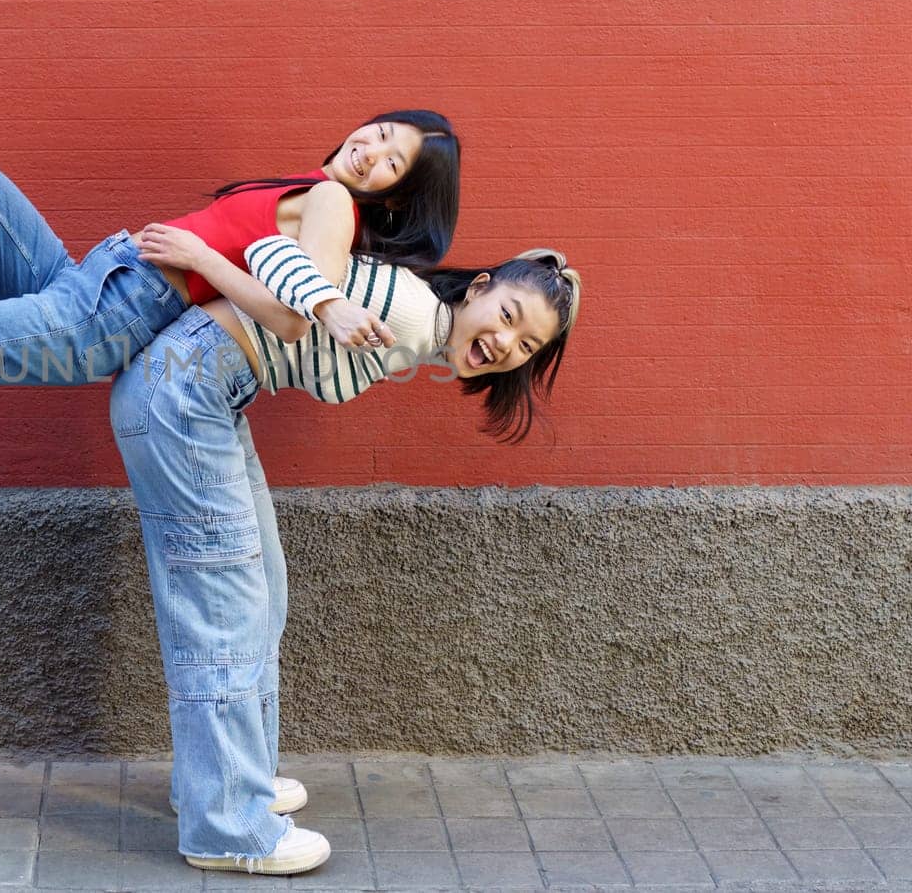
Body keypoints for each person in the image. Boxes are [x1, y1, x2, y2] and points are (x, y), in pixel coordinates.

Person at [0, 113, 460, 646]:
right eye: (381, 133)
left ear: (393, 198)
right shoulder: (305, 183)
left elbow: (297, 316)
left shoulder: (332, 204)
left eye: (392, 162)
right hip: (92, 282)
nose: (371, 151)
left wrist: (201, 263)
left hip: (109, 315)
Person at [111, 232, 581, 875]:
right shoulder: (412, 313)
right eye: (507, 316)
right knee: (226, 612)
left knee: (262, 591)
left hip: (207, 393)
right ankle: (224, 823)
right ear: (477, 290)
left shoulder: (421, 331)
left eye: (526, 346)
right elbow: (280, 252)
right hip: (184, 392)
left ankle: (227, 780)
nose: (506, 344)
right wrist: (293, 291)